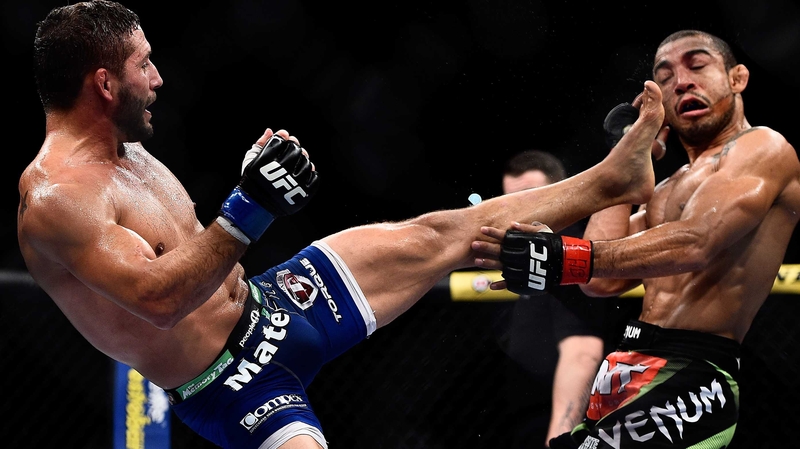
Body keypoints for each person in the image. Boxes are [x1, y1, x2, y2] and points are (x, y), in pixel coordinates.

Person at [17, 1, 665, 448]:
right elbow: (157, 298)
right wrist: (251, 204)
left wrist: (248, 181)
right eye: (142, 65)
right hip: (230, 385)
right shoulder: (56, 201)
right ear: (104, 83)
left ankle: (611, 178)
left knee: (444, 229)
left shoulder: (127, 148)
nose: (158, 77)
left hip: (273, 305)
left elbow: (188, 241)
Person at [473, 29, 800, 448]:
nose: (681, 81)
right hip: (628, 369)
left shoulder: (763, 147)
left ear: (737, 79)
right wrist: (628, 153)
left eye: (697, 65)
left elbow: (695, 243)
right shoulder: (667, 190)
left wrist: (563, 258)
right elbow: (601, 280)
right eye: (665, 77)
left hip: (689, 374)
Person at [496, 150, 623, 447]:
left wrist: (558, 438)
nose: (518, 209)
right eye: (509, 200)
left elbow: (582, 350)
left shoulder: (565, 253)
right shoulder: (524, 255)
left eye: (529, 196)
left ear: (560, 191)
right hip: (525, 420)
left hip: (557, 424)